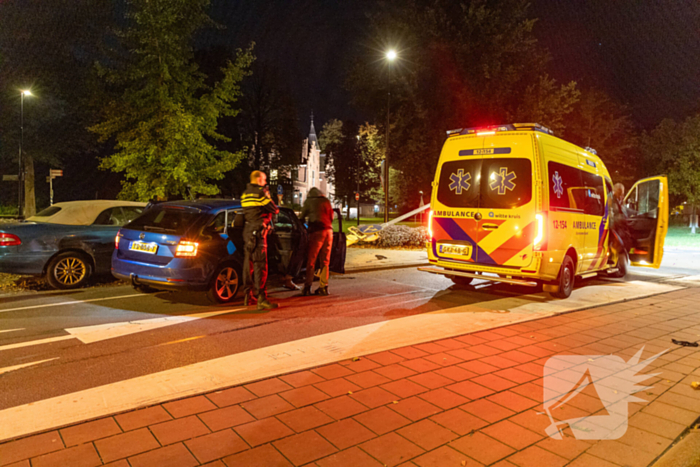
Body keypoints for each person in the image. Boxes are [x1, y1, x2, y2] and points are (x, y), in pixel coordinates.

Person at [241, 171, 279, 310]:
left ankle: (247, 295)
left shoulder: (245, 194)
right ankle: (261, 298)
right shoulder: (260, 193)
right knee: (260, 265)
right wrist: (268, 195)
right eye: (264, 180)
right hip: (258, 232)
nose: (265, 182)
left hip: (247, 231)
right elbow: (274, 209)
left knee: (248, 264)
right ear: (258, 180)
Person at [300, 187, 334, 296]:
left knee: (311, 260)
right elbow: (332, 216)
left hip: (316, 231)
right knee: (325, 261)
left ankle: (307, 287)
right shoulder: (326, 201)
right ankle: (324, 287)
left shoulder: (309, 201)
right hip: (329, 231)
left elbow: (301, 217)